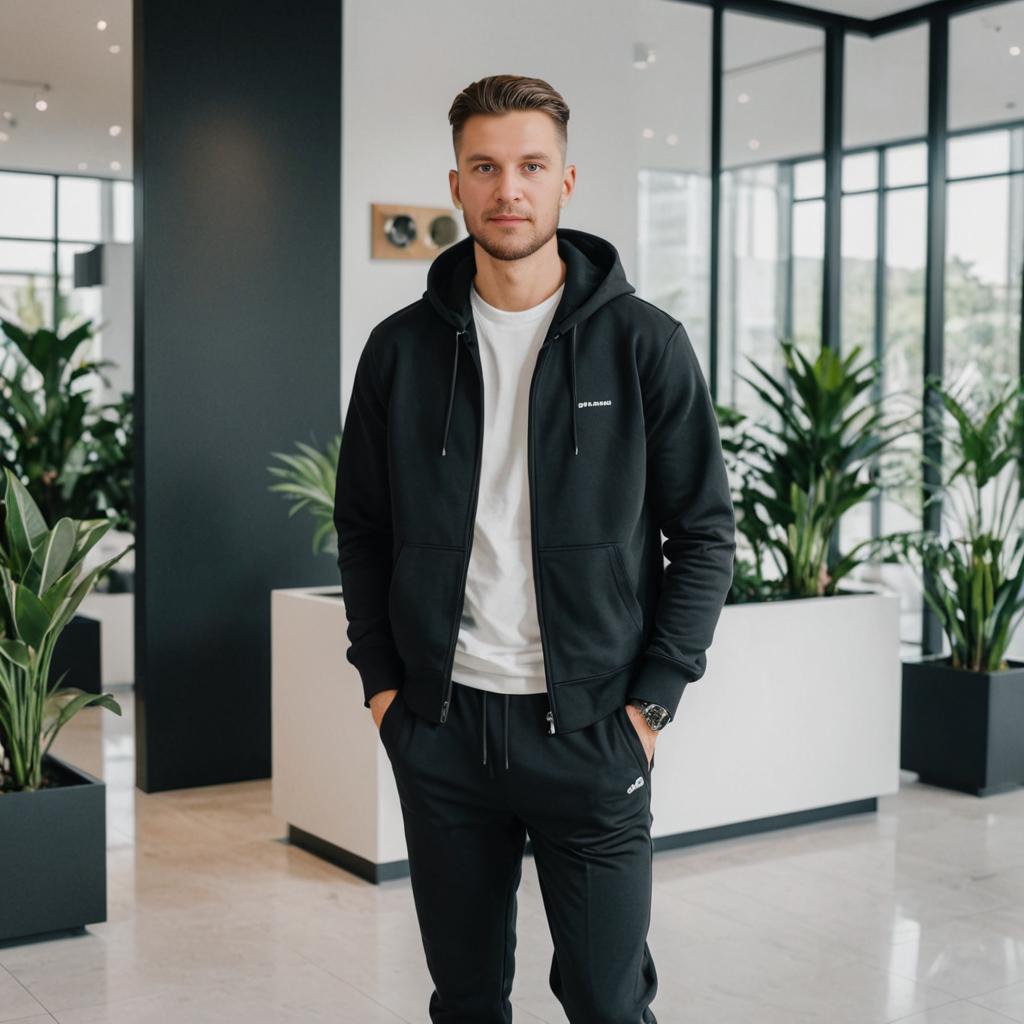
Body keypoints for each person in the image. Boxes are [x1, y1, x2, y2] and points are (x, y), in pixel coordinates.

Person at [333, 73, 735, 1024]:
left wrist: (653, 704)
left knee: (606, 1000)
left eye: (529, 166)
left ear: (565, 182)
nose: (507, 187)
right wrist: (386, 692)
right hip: (443, 727)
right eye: (485, 167)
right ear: (457, 185)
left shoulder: (646, 345)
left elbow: (706, 532)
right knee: (466, 998)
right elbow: (363, 528)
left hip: (594, 733)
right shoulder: (400, 350)